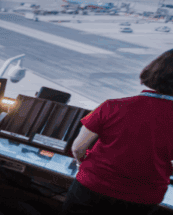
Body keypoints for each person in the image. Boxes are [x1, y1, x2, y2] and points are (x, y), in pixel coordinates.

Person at [62, 49, 173, 215]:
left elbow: (78, 147)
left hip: (93, 186)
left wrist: (81, 164)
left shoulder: (112, 106)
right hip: (143, 198)